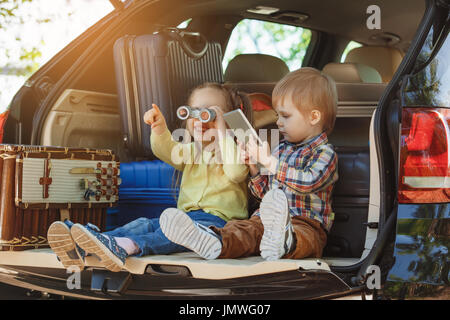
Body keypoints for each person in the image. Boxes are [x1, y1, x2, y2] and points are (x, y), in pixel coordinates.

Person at [47, 83, 252, 272]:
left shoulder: (235, 150)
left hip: (217, 223)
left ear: (228, 118)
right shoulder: (192, 150)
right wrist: (159, 128)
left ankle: (128, 246)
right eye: (194, 112)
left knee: (167, 235)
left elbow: (236, 173)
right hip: (183, 217)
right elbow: (166, 150)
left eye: (210, 113)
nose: (200, 119)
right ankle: (91, 241)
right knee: (146, 223)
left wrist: (223, 130)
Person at [160, 67, 339, 261]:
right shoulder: (280, 150)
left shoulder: (325, 153)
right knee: (241, 230)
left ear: (314, 117)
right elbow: (265, 193)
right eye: (277, 116)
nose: (278, 123)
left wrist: (270, 163)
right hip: (264, 220)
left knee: (308, 240)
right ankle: (214, 241)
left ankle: (286, 242)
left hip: (304, 222)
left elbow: (307, 183)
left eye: (285, 116)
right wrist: (254, 169)